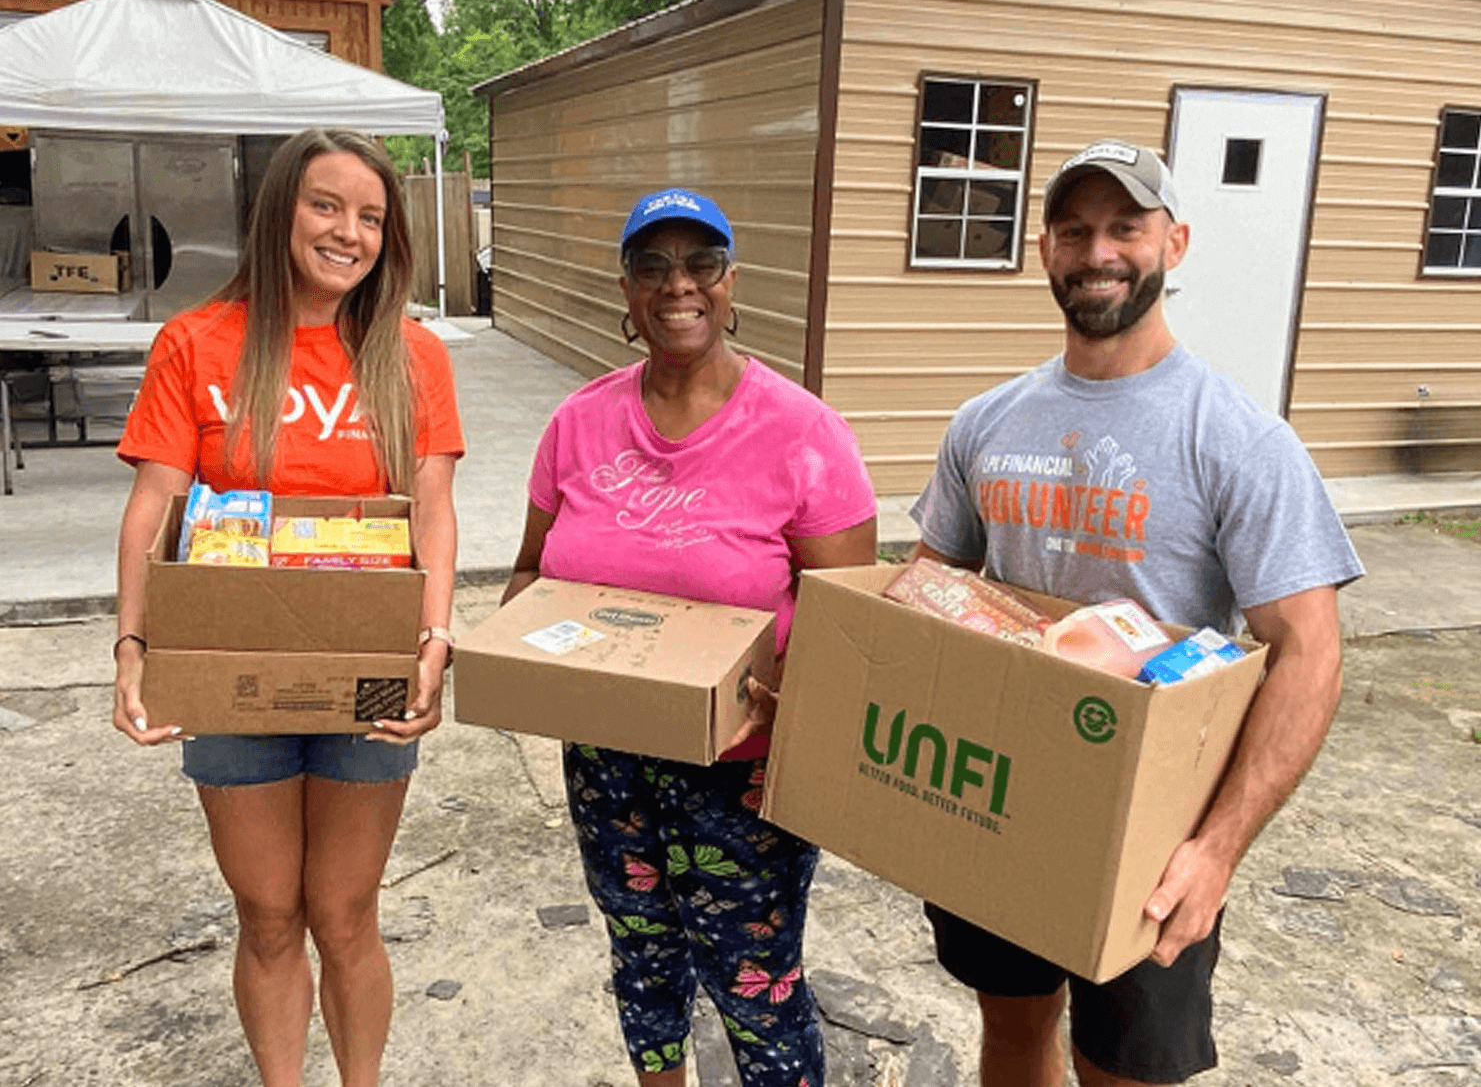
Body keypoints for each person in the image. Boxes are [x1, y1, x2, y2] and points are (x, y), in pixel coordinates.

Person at [908, 140, 1364, 1086]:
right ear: (1045, 251)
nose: (1098, 252)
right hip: (1000, 793)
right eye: (1074, 230)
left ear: (1176, 242)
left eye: (1126, 227)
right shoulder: (985, 423)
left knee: (1123, 1069)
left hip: (1154, 828)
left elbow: (1307, 652)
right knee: (1014, 1025)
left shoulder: (1237, 439)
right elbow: (927, 588)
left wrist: (1215, 850)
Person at [111, 128, 463, 1087]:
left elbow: (431, 506)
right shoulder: (195, 343)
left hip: (367, 670)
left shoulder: (413, 354)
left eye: (370, 216)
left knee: (345, 915)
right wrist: (132, 645)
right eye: (325, 205)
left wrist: (434, 643)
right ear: (281, 211)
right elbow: (153, 502)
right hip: (228, 668)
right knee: (268, 916)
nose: (347, 232)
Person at [504, 187, 877, 1087]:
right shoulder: (579, 423)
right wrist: (521, 655)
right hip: (606, 757)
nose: (678, 285)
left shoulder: (803, 434)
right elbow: (528, 577)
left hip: (741, 771)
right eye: (651, 265)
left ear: (729, 280)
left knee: (757, 989)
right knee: (642, 964)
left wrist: (788, 712)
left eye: (699, 263)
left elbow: (849, 624)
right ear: (627, 290)